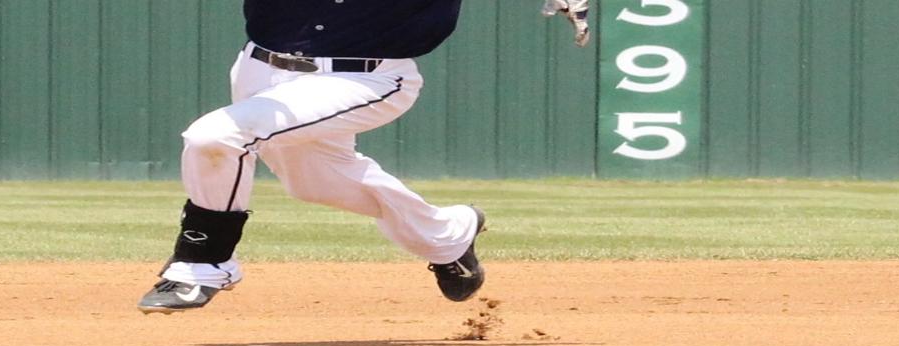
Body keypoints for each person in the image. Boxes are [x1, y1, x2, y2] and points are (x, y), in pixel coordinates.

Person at [137, 0, 592, 314]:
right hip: (261, 68)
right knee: (314, 183)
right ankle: (450, 234)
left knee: (214, 137)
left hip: (368, 78)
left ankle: (202, 264)